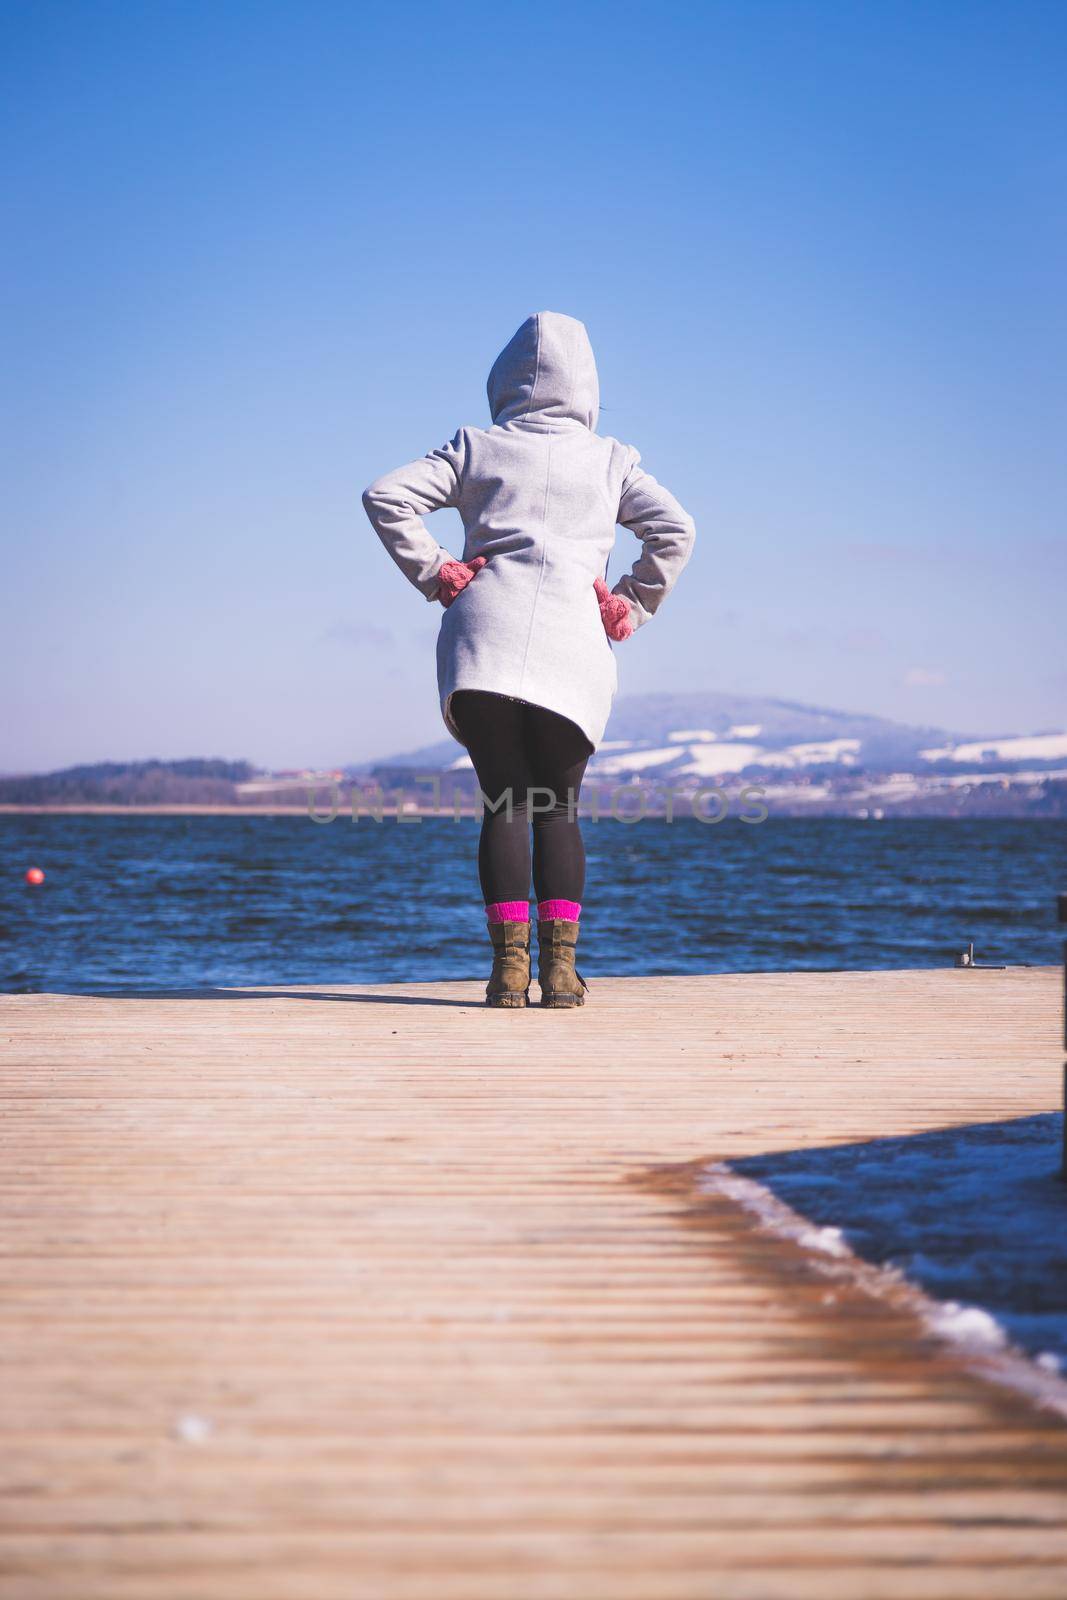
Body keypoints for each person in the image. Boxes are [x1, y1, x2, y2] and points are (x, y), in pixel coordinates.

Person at [362, 311, 695, 1008]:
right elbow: (674, 528)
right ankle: (561, 974)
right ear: (586, 386)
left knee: (505, 802)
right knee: (557, 808)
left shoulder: (476, 447)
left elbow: (385, 495)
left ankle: (509, 973)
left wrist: (435, 572)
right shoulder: (610, 460)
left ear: (505, 380)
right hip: (571, 649)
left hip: (483, 639)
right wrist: (631, 603)